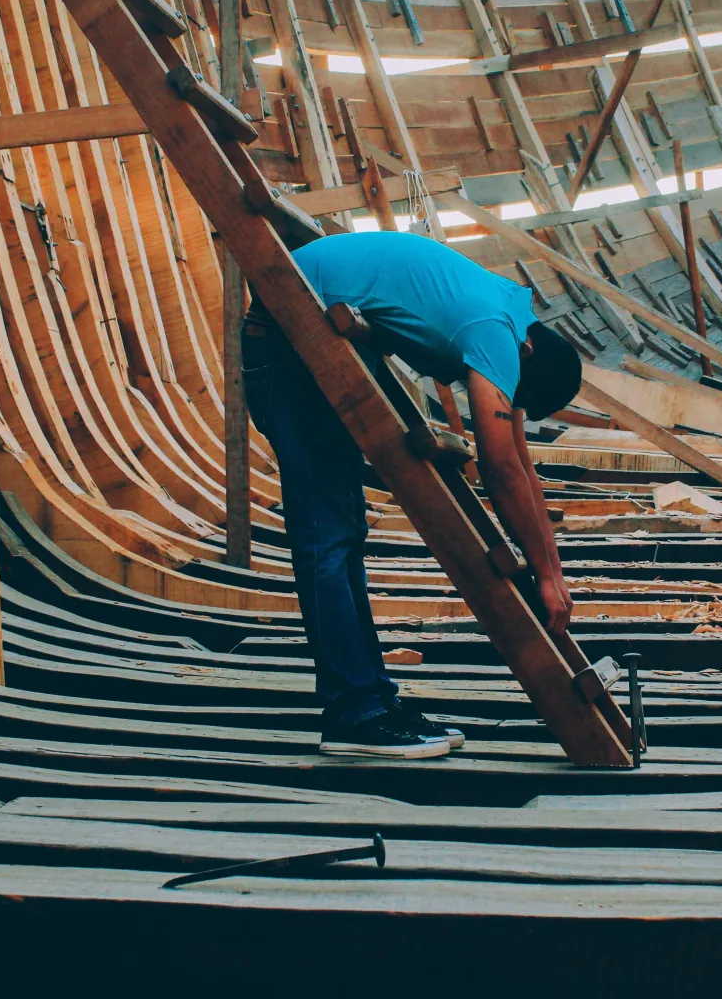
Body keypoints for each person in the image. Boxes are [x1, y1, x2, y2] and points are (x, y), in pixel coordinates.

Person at [242, 231, 583, 759]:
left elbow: (519, 464)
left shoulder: (508, 314)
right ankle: (354, 714)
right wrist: (544, 573)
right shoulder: (496, 330)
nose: (499, 390)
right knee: (326, 538)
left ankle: (373, 698)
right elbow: (498, 467)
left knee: (343, 534)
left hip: (313, 329)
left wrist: (552, 572)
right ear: (528, 353)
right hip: (293, 334)